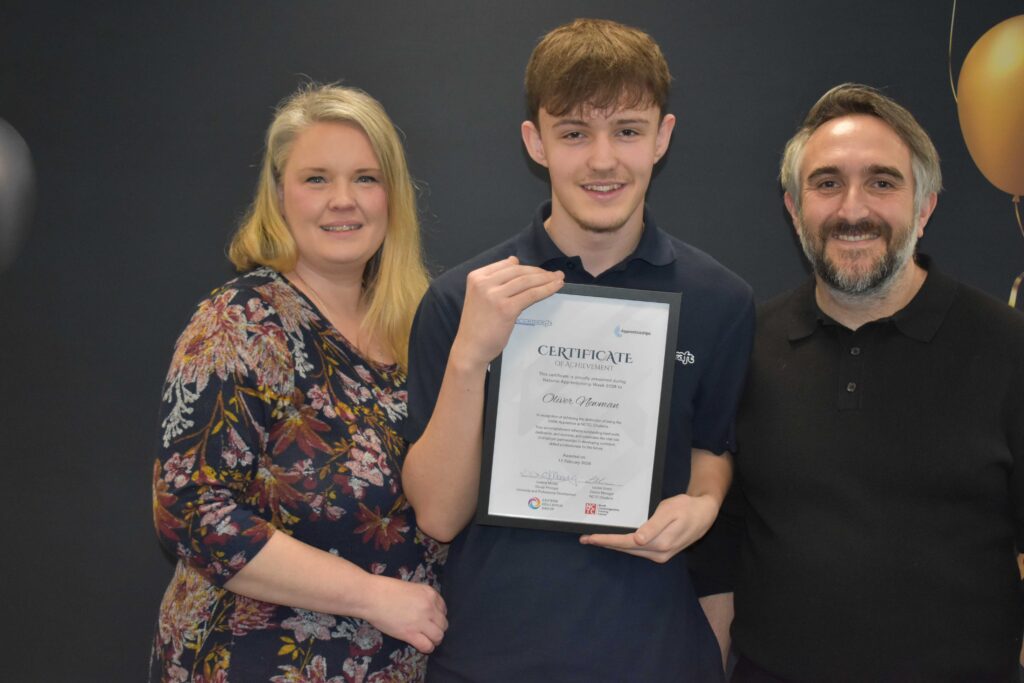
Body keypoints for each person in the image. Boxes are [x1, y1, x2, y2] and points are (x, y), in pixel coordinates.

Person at [400, 19, 754, 682]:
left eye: (627, 130)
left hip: (656, 658)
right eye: (573, 133)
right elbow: (439, 516)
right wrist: (470, 355)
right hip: (490, 662)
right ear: (536, 142)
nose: (602, 159)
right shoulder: (461, 300)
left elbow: (714, 447)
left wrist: (703, 503)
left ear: (662, 138)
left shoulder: (720, 300)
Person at [150, 84, 447, 682]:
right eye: (317, 179)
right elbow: (191, 511)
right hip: (253, 663)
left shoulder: (417, 328)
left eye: (366, 178)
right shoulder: (240, 322)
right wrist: (371, 596)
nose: (343, 201)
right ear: (280, 195)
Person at [729, 83, 1024, 681]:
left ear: (926, 206)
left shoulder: (1009, 346)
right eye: (827, 183)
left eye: (883, 182)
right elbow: (714, 560)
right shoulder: (740, 348)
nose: (853, 209)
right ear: (793, 206)